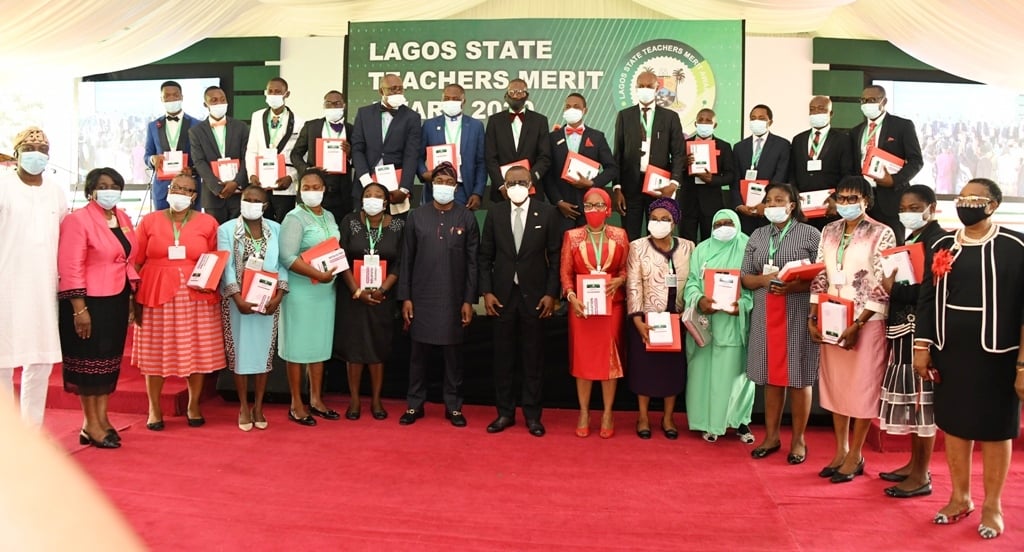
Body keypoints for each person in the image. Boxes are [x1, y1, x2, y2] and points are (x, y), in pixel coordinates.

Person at [915, 178, 1024, 539]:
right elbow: (928, 300)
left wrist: (1023, 365)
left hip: (998, 355)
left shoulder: (1015, 245)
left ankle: (992, 505)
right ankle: (960, 497)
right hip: (950, 352)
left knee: (995, 430)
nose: (967, 203)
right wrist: (922, 346)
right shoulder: (944, 245)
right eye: (962, 197)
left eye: (975, 198)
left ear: (993, 204)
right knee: (956, 426)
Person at [808, 176, 895, 483]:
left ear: (867, 201)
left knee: (862, 388)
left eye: (852, 198)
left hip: (866, 321)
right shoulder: (828, 230)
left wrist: (859, 323)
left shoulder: (882, 233)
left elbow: (885, 284)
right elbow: (820, 274)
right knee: (837, 387)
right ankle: (841, 450)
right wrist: (812, 315)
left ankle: (856, 454)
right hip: (833, 317)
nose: (846, 203)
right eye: (841, 198)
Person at [132, 174, 225, 430]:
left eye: (188, 190)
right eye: (177, 188)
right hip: (155, 294)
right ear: (168, 189)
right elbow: (136, 260)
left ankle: (193, 404)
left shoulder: (208, 222)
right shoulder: (149, 221)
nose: (181, 193)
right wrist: (132, 295)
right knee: (155, 353)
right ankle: (154, 408)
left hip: (197, 297)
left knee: (196, 351)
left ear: (195, 196)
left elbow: (217, 259)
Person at [57, 168, 138, 448]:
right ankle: (91, 424)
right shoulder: (77, 220)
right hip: (88, 302)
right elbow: (70, 266)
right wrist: (79, 309)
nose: (109, 190)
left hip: (115, 299)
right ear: (90, 190)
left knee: (106, 365)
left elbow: (127, 259)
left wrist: (130, 297)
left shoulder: (122, 217)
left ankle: (100, 420)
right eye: (103, 185)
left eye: (114, 185)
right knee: (89, 366)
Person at [741, 182, 821, 464]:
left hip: (798, 312)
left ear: (792, 205)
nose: (774, 205)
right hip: (765, 315)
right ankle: (771, 436)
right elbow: (746, 278)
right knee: (770, 379)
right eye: (769, 201)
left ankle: (798, 440)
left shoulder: (811, 235)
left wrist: (794, 288)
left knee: (798, 378)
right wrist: (763, 280)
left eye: (780, 200)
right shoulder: (757, 236)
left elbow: (821, 277)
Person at [479, 166, 561, 437]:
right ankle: (504, 413)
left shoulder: (547, 212)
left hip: (536, 298)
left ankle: (533, 416)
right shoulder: (495, 212)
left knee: (533, 359)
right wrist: (486, 292)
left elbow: (556, 257)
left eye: (521, 182)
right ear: (504, 186)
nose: (516, 186)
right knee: (502, 359)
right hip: (501, 297)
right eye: (511, 182)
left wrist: (551, 294)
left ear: (530, 184)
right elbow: (485, 256)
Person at [877, 185, 947, 497]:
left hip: (920, 332)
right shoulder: (914, 238)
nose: (907, 212)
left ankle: (921, 474)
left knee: (922, 404)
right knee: (913, 403)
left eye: (915, 206)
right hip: (903, 328)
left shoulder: (938, 240)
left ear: (931, 208)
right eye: (904, 206)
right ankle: (912, 464)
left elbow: (928, 292)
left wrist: (893, 288)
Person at [397, 162, 479, 427]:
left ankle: (453, 406)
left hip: (454, 298)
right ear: (431, 185)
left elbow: (472, 263)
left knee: (453, 357)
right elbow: (406, 259)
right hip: (421, 297)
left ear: (456, 187)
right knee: (417, 356)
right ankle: (414, 405)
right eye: (439, 181)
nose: (443, 186)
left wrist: (469, 300)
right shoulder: (416, 216)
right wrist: (406, 298)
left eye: (448, 182)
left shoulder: (466, 218)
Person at [0, 127, 66, 426]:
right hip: (7, 286)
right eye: (29, 146)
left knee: (39, 361)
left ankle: (32, 432)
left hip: (43, 288)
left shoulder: (56, 191)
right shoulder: (2, 185)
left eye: (42, 147)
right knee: (2, 362)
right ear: (16, 153)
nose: (36, 152)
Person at [217, 186, 288, 432]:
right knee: (240, 356)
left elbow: (282, 263)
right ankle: (244, 407)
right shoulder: (226, 229)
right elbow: (226, 267)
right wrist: (236, 297)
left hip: (267, 303)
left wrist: (279, 295)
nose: (252, 203)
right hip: (238, 303)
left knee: (262, 356)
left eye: (257, 200)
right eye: (247, 199)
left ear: (265, 206)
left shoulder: (277, 230)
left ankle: (259, 406)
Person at [561, 187, 629, 438]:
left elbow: (625, 269)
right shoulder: (572, 236)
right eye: (589, 205)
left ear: (608, 209)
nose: (594, 210)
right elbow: (566, 274)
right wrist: (571, 297)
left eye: (600, 205)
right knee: (583, 358)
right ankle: (583, 411)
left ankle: (608, 412)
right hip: (582, 307)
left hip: (613, 305)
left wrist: (619, 281)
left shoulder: (620, 235)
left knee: (609, 359)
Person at [683, 209, 755, 442]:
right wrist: (699, 300)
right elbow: (692, 282)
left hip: (735, 324)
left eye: (728, 222)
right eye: (718, 223)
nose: (723, 227)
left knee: (736, 377)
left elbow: (754, 287)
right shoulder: (702, 249)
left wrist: (742, 305)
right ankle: (706, 423)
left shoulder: (748, 247)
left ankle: (740, 422)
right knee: (703, 377)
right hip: (706, 323)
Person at [625, 199, 694, 440]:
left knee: (672, 372)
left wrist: (688, 317)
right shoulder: (637, 246)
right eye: (654, 218)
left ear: (674, 223)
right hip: (646, 320)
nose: (659, 223)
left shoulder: (688, 247)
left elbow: (694, 281)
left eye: (665, 219)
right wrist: (637, 321)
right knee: (644, 369)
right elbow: (633, 283)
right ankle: (643, 416)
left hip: (677, 321)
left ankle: (668, 417)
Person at [335, 183, 404, 421]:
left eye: (378, 196)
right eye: (367, 195)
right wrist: (356, 290)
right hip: (353, 295)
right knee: (355, 348)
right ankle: (354, 400)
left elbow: (400, 262)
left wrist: (383, 289)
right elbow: (340, 256)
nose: (372, 199)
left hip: (382, 297)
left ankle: (376, 399)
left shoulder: (398, 225)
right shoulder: (350, 221)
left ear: (386, 202)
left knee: (378, 347)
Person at [278, 169, 342, 426]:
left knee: (319, 346)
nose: (312, 191)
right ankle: (296, 402)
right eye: (306, 186)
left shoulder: (329, 215)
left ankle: (316, 399)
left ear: (324, 189)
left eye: (317, 186)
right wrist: (317, 273)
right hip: (301, 290)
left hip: (325, 292)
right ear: (299, 189)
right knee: (297, 347)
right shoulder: (294, 218)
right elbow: (287, 257)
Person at [613, 70, 686, 241]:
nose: (644, 89)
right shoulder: (625, 116)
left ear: (656, 88)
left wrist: (674, 183)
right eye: (641, 86)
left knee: (657, 235)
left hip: (659, 187)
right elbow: (618, 154)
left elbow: (678, 153)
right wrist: (617, 188)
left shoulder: (670, 117)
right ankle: (632, 268)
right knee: (630, 237)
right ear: (636, 88)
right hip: (630, 188)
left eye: (648, 86)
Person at [851, 85, 924, 242]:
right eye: (863, 100)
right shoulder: (856, 131)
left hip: (891, 198)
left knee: (893, 248)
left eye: (872, 100)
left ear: (884, 101)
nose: (866, 104)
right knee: (863, 247)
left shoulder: (902, 126)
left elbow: (916, 161)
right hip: (863, 200)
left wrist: (895, 180)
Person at [545, 92, 618, 232]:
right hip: (560, 207)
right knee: (561, 249)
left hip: (590, 205)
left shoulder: (597, 137)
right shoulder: (552, 138)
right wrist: (558, 202)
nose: (571, 109)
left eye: (576, 106)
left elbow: (611, 168)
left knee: (588, 250)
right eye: (567, 107)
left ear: (585, 110)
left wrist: (592, 183)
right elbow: (547, 174)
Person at [351, 73, 422, 217]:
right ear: (381, 91)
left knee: (396, 232)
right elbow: (357, 149)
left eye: (400, 89)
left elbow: (411, 155)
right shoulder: (364, 113)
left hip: (396, 190)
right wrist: (366, 181)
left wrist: (404, 189)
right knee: (363, 233)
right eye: (392, 89)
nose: (397, 92)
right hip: (365, 184)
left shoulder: (412, 117)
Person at [790, 96, 856, 231]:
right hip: (804, 208)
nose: (816, 113)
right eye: (812, 110)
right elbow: (792, 172)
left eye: (821, 109)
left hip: (831, 207)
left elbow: (847, 173)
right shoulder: (798, 139)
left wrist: (836, 197)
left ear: (830, 113)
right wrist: (795, 197)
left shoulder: (843, 139)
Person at [188, 85, 250, 223]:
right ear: (206, 104)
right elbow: (199, 161)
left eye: (222, 99)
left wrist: (236, 182)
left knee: (238, 235)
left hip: (238, 192)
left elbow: (247, 157)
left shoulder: (241, 127)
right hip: (213, 195)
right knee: (215, 237)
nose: (219, 103)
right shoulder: (196, 131)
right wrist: (217, 187)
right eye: (214, 100)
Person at [245, 77, 304, 222]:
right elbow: (252, 149)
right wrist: (252, 175)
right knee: (261, 223)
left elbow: (303, 156)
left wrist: (292, 177)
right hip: (260, 182)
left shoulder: (300, 122)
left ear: (287, 94)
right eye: (270, 91)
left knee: (283, 225)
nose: (273, 94)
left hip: (284, 183)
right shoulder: (257, 117)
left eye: (278, 91)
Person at [419, 84, 486, 209]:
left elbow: (481, 162)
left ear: (463, 101)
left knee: (461, 227)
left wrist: (477, 193)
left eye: (455, 99)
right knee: (431, 227)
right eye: (446, 98)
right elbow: (418, 157)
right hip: (436, 187)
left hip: (463, 190)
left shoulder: (476, 126)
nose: (450, 102)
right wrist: (423, 173)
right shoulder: (429, 125)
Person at [291, 90, 354, 222]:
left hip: (341, 194)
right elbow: (295, 154)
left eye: (337, 104)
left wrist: (350, 154)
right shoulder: (311, 126)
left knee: (337, 234)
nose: (332, 107)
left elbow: (358, 159)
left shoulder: (352, 129)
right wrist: (308, 170)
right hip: (314, 191)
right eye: (328, 104)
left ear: (344, 105)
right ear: (324, 106)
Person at [484, 79, 552, 202]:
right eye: (512, 92)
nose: (516, 95)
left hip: (532, 190)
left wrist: (528, 180)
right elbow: (490, 157)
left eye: (520, 92)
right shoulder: (494, 121)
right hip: (502, 193)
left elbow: (544, 157)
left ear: (527, 95)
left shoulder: (540, 121)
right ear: (506, 95)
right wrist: (501, 184)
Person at [680, 108, 737, 243]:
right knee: (686, 243)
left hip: (712, 203)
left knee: (711, 242)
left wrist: (713, 179)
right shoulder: (683, 145)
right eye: (701, 120)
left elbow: (730, 175)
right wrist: (683, 164)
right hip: (688, 202)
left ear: (714, 125)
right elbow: (673, 171)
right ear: (695, 123)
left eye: (708, 121)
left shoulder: (724, 146)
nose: (704, 123)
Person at [732, 104, 790, 236]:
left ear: (770, 121)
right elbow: (735, 178)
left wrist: (766, 203)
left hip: (771, 210)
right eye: (753, 118)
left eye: (761, 118)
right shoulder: (739, 147)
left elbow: (781, 176)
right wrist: (739, 204)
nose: (756, 121)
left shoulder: (782, 145)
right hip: (744, 211)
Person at [144, 81, 201, 210]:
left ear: (181, 97)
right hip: (162, 187)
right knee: (161, 227)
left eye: (175, 95)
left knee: (191, 227)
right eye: (167, 96)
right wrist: (152, 159)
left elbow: (203, 157)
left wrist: (193, 170)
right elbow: (147, 155)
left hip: (189, 187)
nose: (171, 99)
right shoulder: (153, 126)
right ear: (161, 99)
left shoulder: (197, 124)